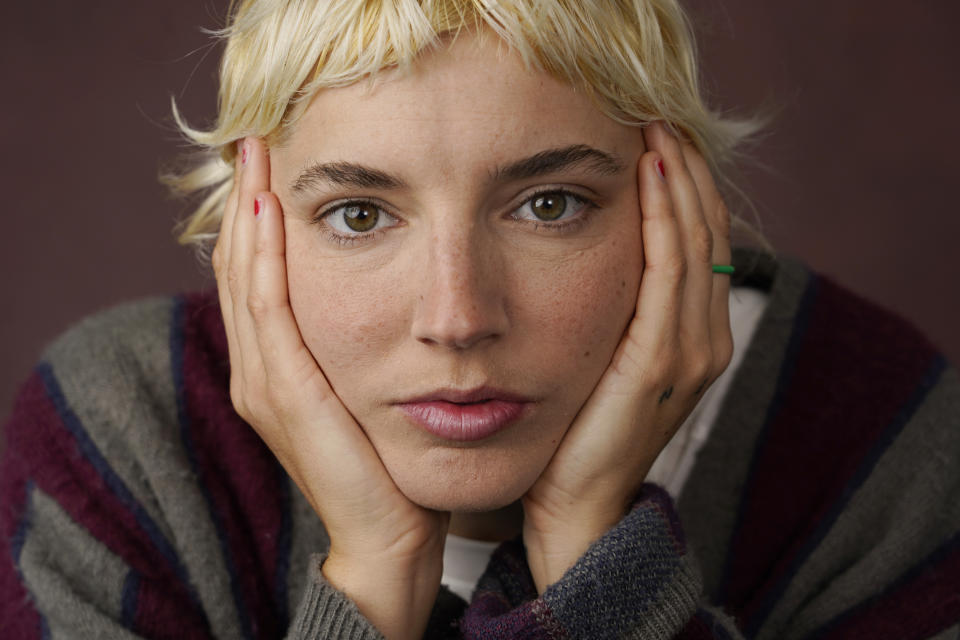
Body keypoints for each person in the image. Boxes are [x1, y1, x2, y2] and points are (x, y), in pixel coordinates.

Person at [2, 1, 958, 638]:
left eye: (549, 204)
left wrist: (601, 564)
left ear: (677, 202)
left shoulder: (889, 453)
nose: (457, 318)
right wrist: (370, 577)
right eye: (360, 214)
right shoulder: (119, 443)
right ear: (254, 227)